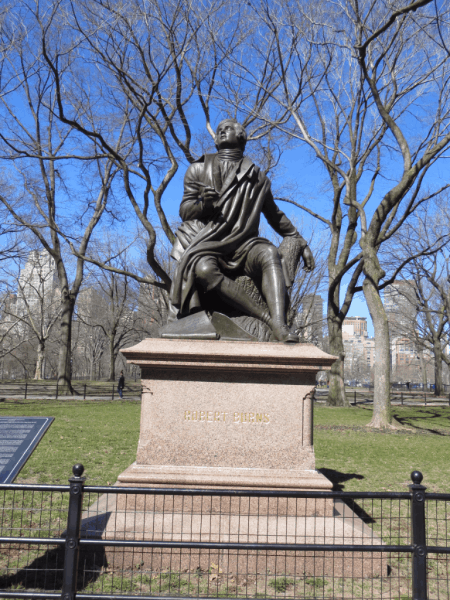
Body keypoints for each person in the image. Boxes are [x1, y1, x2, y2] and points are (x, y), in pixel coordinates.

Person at [169, 118, 314, 343]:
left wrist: (299, 239)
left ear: (241, 136)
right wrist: (204, 205)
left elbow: (274, 215)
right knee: (204, 269)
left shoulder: (258, 177)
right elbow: (185, 211)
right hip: (209, 241)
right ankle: (267, 318)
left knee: (269, 253)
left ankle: (279, 324)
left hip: (244, 243)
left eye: (228, 128)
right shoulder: (198, 169)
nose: (222, 131)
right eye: (219, 130)